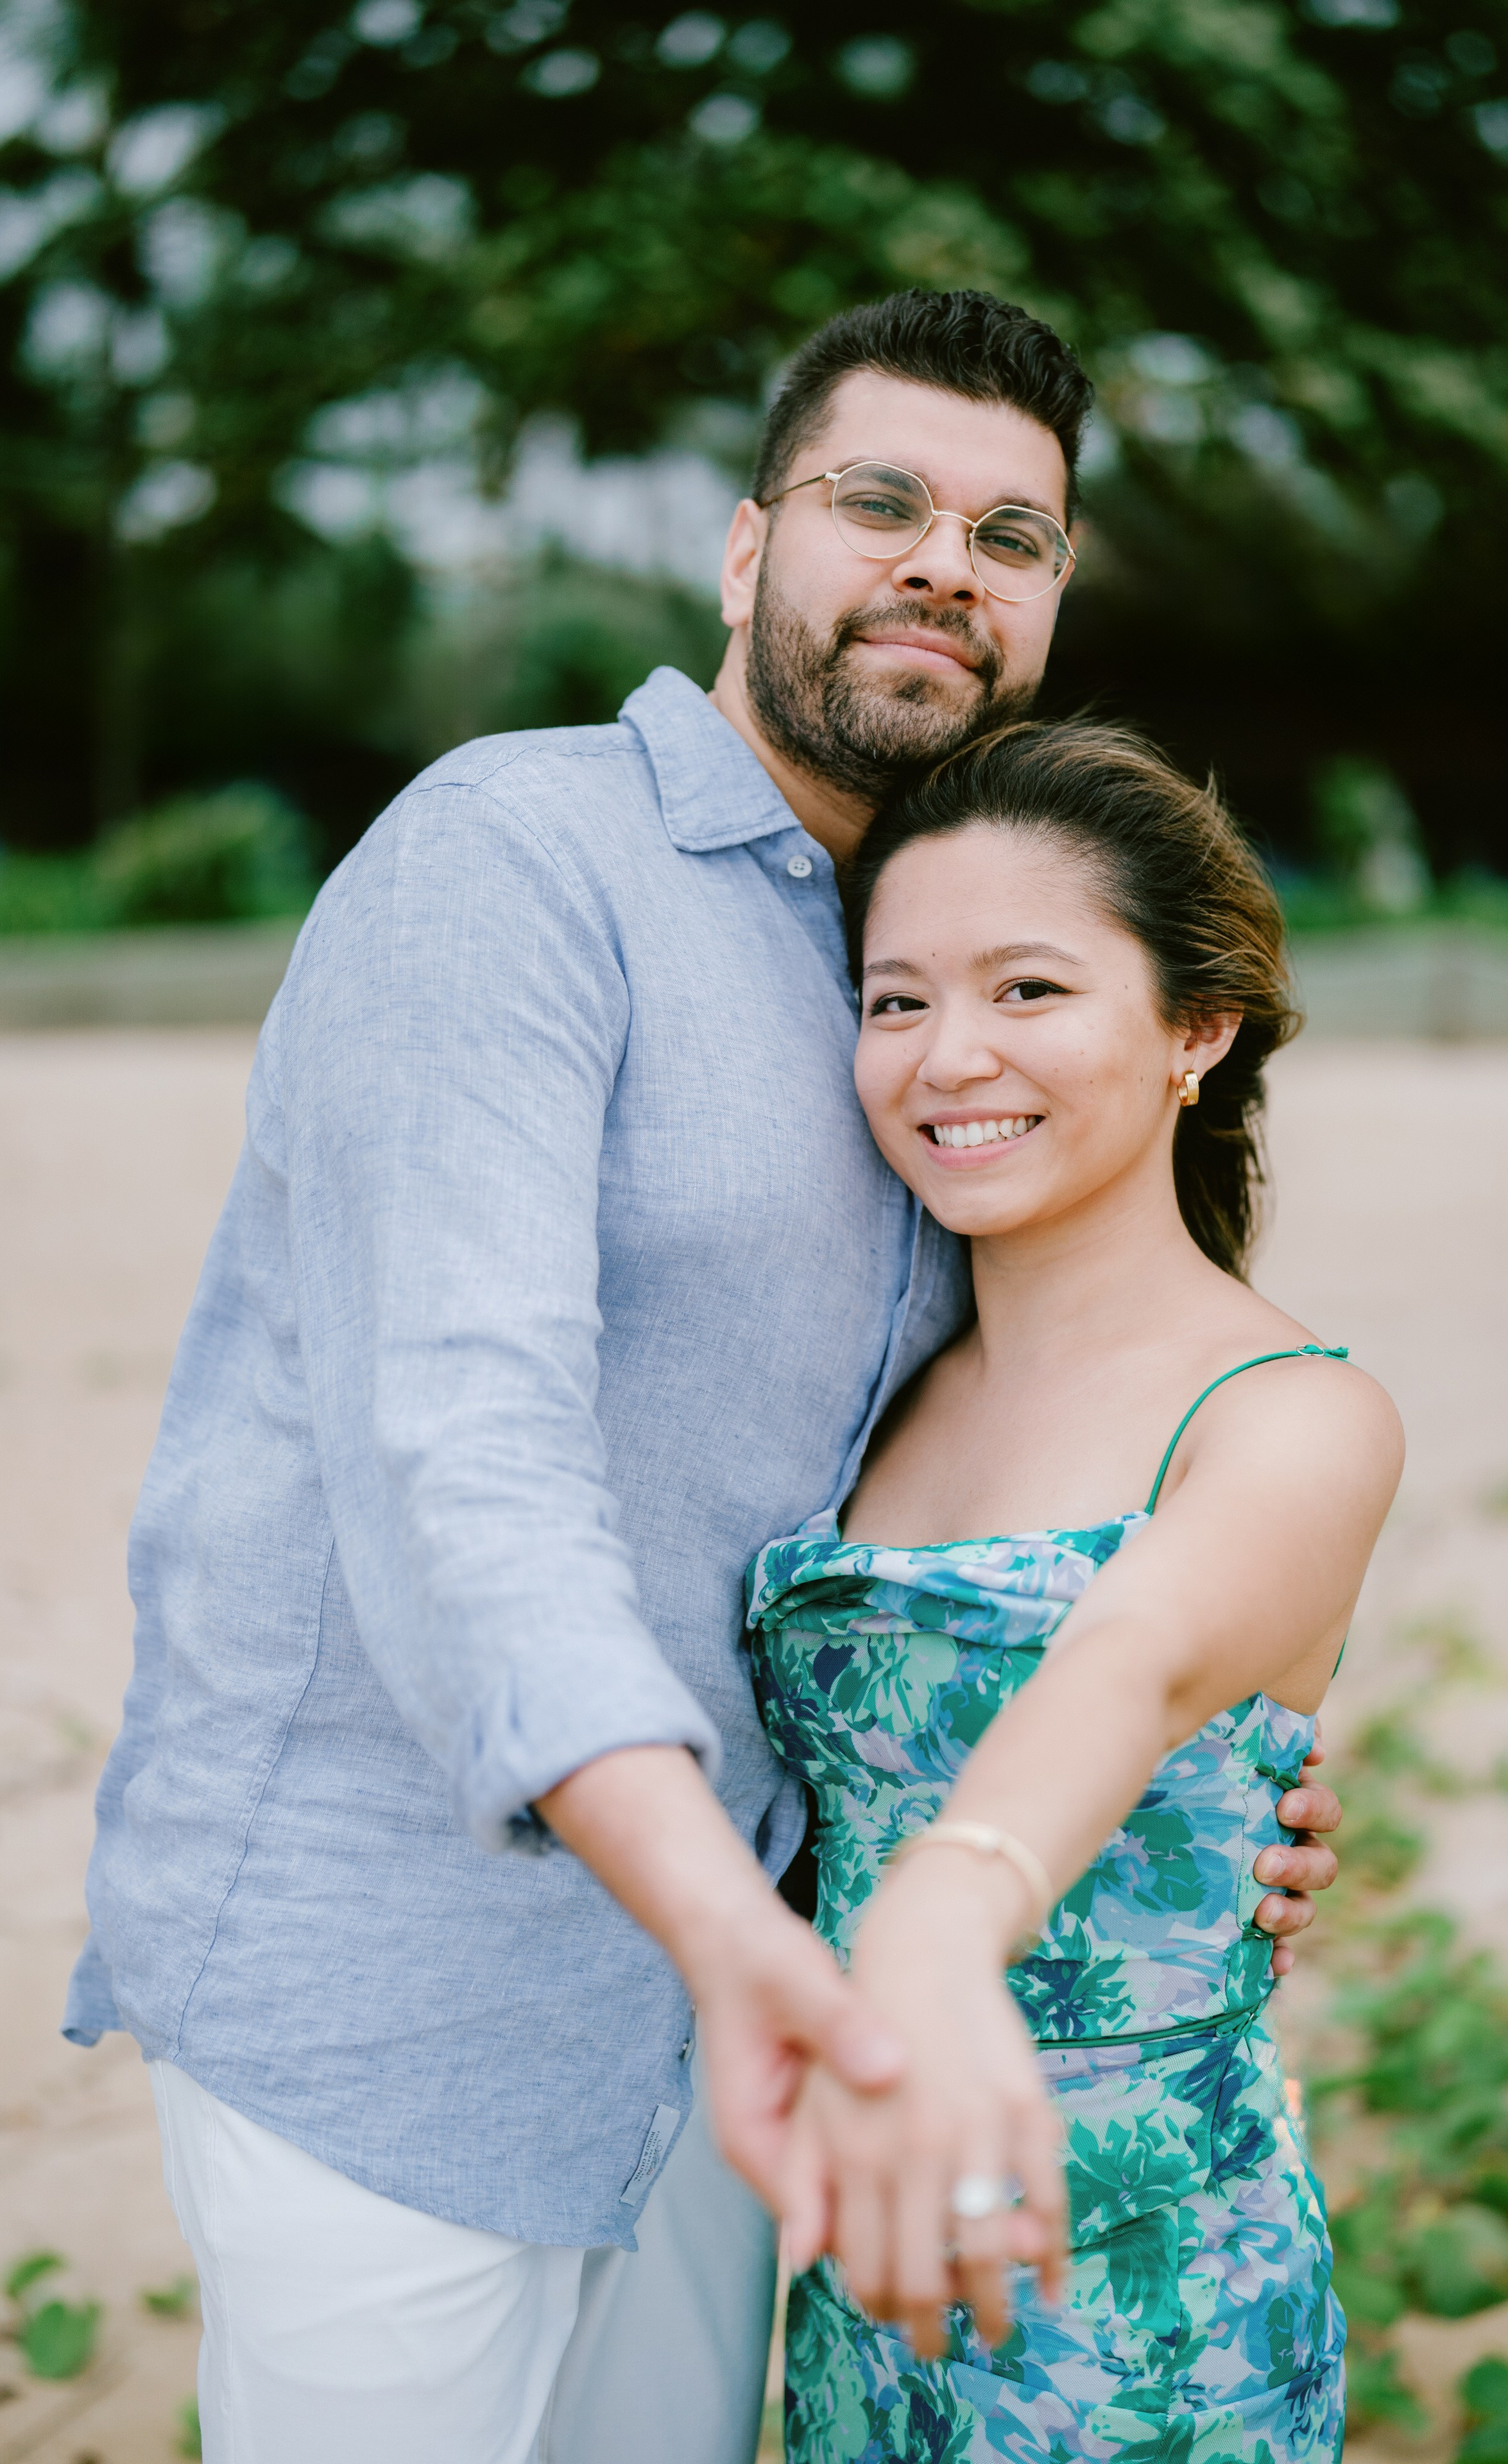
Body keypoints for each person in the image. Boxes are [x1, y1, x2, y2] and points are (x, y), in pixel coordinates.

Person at [62, 291, 1342, 2464]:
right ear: (750, 555)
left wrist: (1236, 1760)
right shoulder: (515, 859)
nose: (949, 563)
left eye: (1013, 536)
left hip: (754, 1995)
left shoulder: (919, 983)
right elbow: (461, 1447)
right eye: (883, 503)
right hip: (414, 1978)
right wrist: (747, 1941)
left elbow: (1103, 1466)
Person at [748, 719, 1403, 2460]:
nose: (948, 1055)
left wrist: (947, 1918)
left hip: (1137, 2292)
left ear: (1199, 1027)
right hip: (866, 2268)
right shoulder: (880, 1389)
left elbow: (1125, 1661)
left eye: (1027, 989)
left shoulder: (1293, 1414)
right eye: (896, 1000)